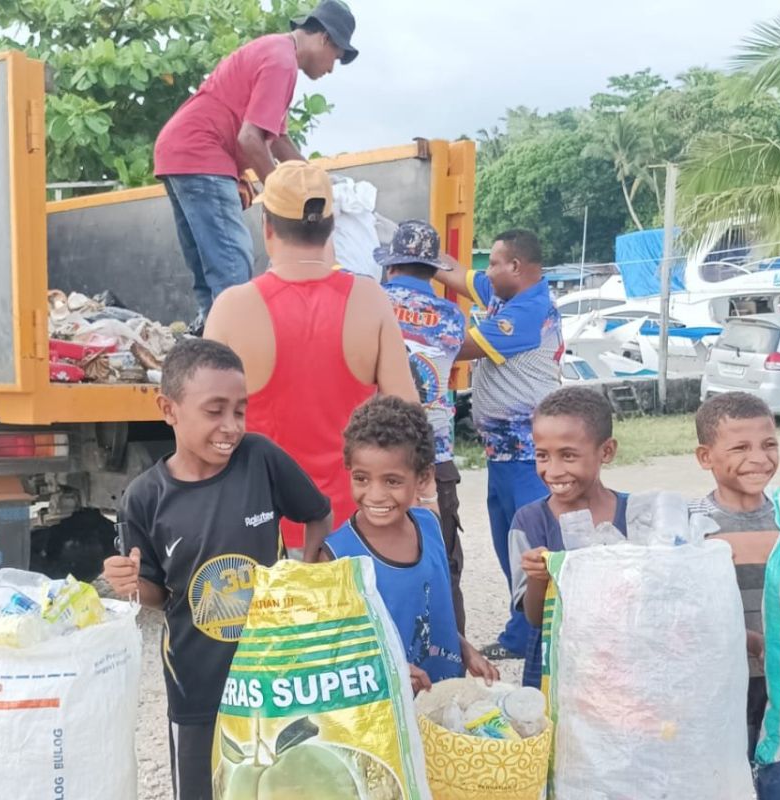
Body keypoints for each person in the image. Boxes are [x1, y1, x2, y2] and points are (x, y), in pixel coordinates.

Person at [102, 339, 332, 800]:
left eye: (239, 411)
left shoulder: (260, 460)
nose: (231, 427)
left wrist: (307, 573)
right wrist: (129, 584)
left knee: (283, 785)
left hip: (276, 676)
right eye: (215, 411)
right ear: (168, 409)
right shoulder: (144, 498)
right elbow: (157, 595)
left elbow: (317, 513)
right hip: (197, 685)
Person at [204, 160, 417, 560]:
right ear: (331, 226)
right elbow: (408, 418)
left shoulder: (232, 308)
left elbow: (204, 430)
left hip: (262, 533)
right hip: (353, 533)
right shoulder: (370, 301)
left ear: (267, 227)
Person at [153, 0, 359, 330]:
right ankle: (235, 353)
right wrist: (285, 200)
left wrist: (314, 181)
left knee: (212, 272)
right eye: (335, 57)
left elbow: (276, 140)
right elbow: (249, 140)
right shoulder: (282, 63)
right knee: (232, 266)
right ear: (323, 38)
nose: (331, 69)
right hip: (202, 153)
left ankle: (211, 344)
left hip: (179, 151)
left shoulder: (276, 52)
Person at [433, 229, 563, 660]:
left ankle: (534, 636)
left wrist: (406, 328)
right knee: (508, 544)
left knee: (528, 546)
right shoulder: (505, 293)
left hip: (528, 453)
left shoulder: (528, 310)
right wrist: (416, 249)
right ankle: (520, 632)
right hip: (503, 452)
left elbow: (465, 347)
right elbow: (455, 273)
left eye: (494, 263)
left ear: (517, 267)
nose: (486, 272)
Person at [690, 391, 780, 800]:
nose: (759, 458)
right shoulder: (691, 526)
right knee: (721, 784)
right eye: (740, 447)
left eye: (769, 445)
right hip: (718, 688)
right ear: (705, 457)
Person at [318, 395, 498, 693]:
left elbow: (431, 613)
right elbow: (332, 653)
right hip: (385, 715)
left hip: (442, 698)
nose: (375, 495)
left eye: (392, 481)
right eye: (362, 479)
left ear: (423, 476)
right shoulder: (336, 556)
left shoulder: (429, 526)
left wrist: (465, 649)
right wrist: (390, 671)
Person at [375, 219, 468, 632]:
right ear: (432, 271)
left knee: (377, 560)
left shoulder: (371, 303)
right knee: (441, 561)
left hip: (378, 455)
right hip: (435, 458)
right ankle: (450, 652)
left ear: (392, 267)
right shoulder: (451, 316)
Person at [512, 388, 629, 687]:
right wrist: (539, 577)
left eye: (568, 455)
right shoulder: (529, 523)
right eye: (542, 456)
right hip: (556, 673)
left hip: (623, 669)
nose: (553, 471)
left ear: (606, 451)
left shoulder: (636, 515)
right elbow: (535, 618)